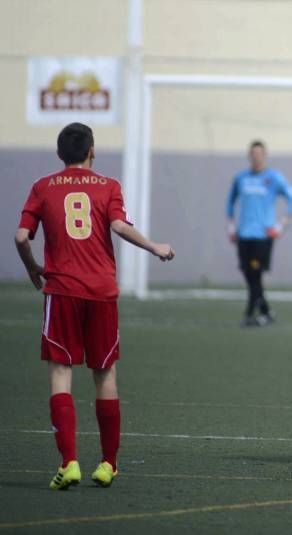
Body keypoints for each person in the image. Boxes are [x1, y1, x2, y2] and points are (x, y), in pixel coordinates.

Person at [14, 122, 175, 490]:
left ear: (60, 155)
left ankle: (69, 462)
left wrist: (33, 269)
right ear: (93, 151)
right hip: (101, 292)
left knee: (61, 373)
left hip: (62, 291)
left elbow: (21, 236)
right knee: (104, 374)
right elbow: (118, 226)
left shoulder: (42, 187)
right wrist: (154, 247)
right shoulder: (108, 187)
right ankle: (108, 464)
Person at [226, 140, 292, 327]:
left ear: (264, 155)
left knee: (256, 273)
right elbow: (230, 203)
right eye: (253, 154)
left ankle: (250, 313)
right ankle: (266, 312)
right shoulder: (241, 178)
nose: (256, 157)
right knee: (249, 274)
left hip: (263, 236)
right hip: (244, 235)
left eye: (259, 153)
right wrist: (231, 227)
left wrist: (281, 226)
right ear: (249, 156)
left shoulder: (273, 178)